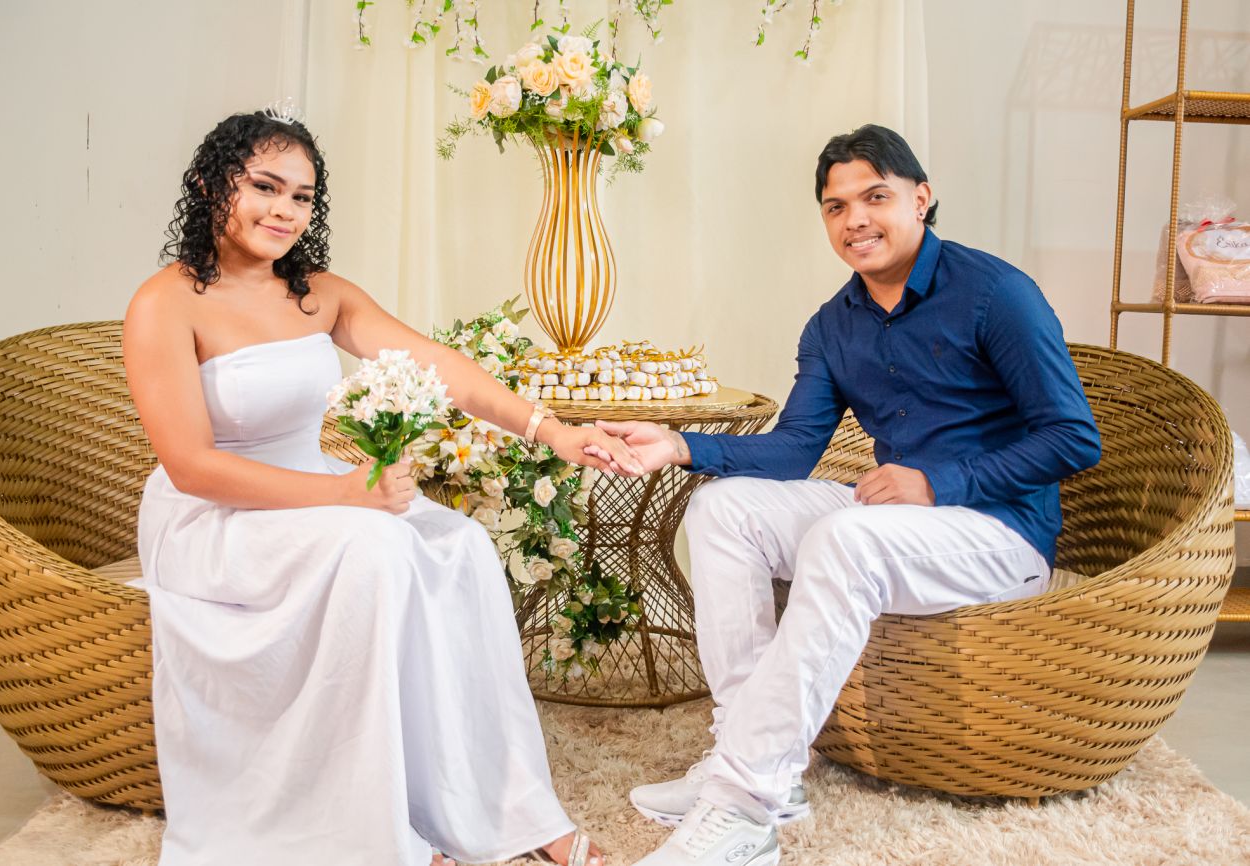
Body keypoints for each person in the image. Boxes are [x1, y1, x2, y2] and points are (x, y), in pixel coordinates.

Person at [123, 105, 637, 866]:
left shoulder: (318, 293)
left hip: (316, 489)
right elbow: (191, 465)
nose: (284, 210)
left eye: (302, 196)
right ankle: (376, 833)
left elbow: (439, 365)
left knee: (461, 544)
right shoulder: (163, 302)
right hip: (213, 517)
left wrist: (552, 430)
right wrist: (344, 497)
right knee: (377, 547)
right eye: (265, 186)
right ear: (210, 183)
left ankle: (507, 810)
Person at [597, 125, 1102, 866]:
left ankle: (744, 808)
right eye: (836, 207)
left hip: (999, 534)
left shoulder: (997, 294)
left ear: (920, 199)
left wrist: (936, 482)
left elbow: (1073, 438)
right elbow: (795, 449)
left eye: (875, 198)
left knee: (843, 537)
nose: (855, 220)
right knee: (721, 509)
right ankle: (747, 752)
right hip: (897, 525)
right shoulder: (832, 325)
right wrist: (678, 445)